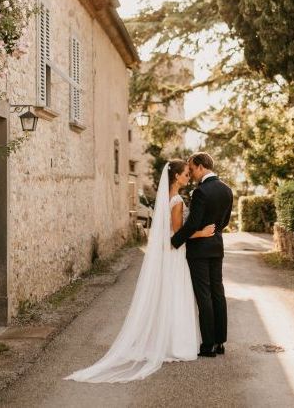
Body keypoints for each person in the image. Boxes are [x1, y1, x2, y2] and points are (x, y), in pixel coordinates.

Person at [65, 159, 215, 383]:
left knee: (167, 295)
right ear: (176, 177)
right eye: (185, 173)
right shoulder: (176, 201)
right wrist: (201, 234)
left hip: (168, 254)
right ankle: (175, 344)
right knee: (175, 295)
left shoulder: (165, 199)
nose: (188, 176)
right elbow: (176, 234)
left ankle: (163, 340)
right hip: (174, 255)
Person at [171, 152, 234, 357]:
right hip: (216, 246)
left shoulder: (201, 192)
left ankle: (208, 345)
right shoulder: (226, 189)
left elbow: (192, 224)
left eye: (191, 168)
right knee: (218, 292)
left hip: (199, 250)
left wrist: (175, 240)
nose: (190, 173)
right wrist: (213, 232)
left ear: (200, 166)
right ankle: (220, 342)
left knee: (204, 296)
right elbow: (224, 222)